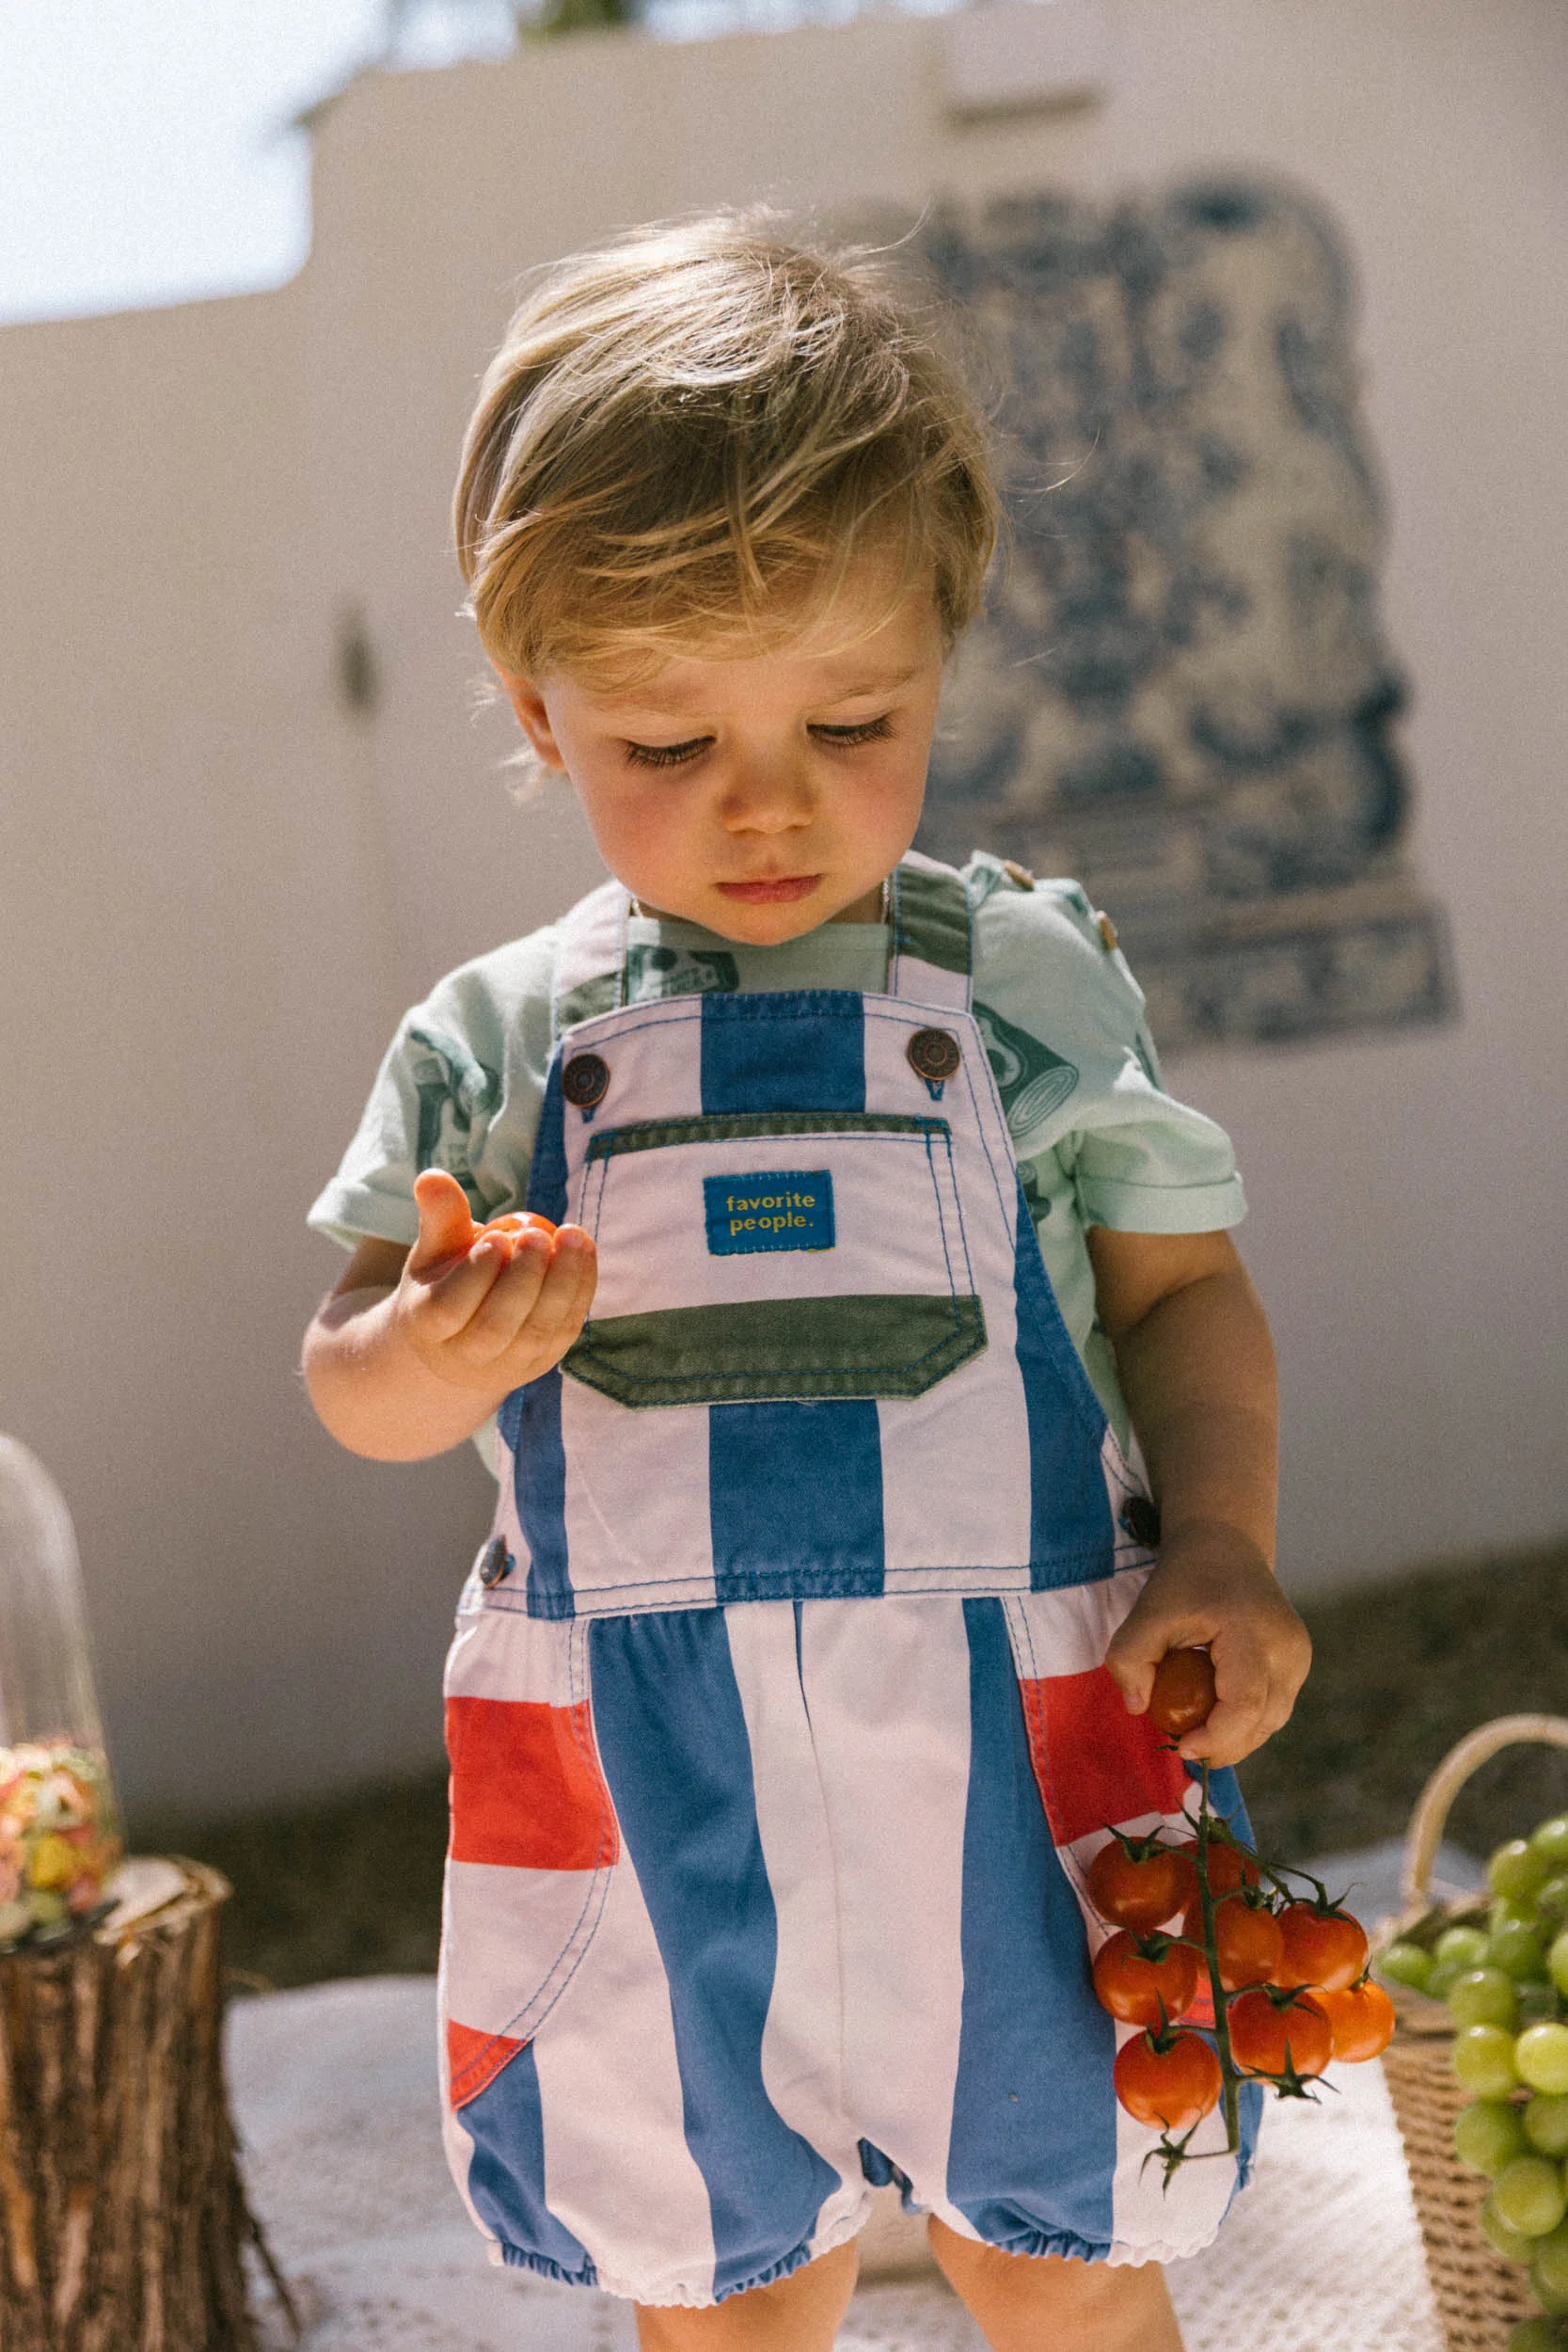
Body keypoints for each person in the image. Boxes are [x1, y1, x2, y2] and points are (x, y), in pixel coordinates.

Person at [302, 214, 1311, 2352]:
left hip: (1021, 1735)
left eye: (852, 721)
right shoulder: (495, 1040)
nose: (766, 809)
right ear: (537, 707)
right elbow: (353, 1383)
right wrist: (427, 1345)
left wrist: (1221, 1538)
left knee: (1066, 2246)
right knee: (717, 2273)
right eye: (666, 750)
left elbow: (1177, 1295)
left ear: (938, 651)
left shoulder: (1022, 981)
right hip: (652, 1772)